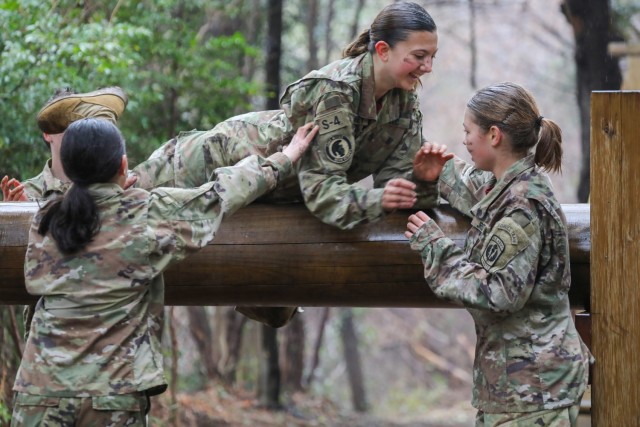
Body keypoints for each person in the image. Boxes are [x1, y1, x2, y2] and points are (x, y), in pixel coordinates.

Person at [11, 118, 318, 426]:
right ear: (123, 164)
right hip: (109, 397)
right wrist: (286, 157)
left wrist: (114, 189)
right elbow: (221, 193)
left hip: (38, 392)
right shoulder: (146, 212)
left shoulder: (45, 220)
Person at [132, 1, 439, 231]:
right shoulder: (338, 92)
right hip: (207, 163)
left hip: (268, 193)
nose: (427, 68)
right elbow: (323, 193)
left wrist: (423, 181)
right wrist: (376, 201)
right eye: (418, 57)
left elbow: (396, 192)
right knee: (109, 207)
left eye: (431, 57)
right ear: (383, 50)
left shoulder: (404, 104)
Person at [405, 82, 591, 426]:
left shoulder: (522, 206)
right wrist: (439, 171)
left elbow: (498, 293)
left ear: (494, 135)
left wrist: (435, 246)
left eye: (468, 131)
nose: (464, 139)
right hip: (518, 386)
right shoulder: (511, 184)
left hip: (534, 389)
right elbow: (478, 190)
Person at [1, 86, 128, 202]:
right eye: (69, 125)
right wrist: (13, 216)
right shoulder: (26, 193)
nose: (78, 132)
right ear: (47, 133)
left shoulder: (120, 178)